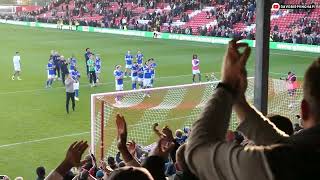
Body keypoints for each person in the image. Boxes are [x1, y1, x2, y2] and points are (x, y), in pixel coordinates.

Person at [185, 40, 320, 180]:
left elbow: (197, 152)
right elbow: (283, 144)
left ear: (304, 109)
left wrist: (227, 85)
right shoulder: (303, 151)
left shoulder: (288, 162)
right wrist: (239, 101)